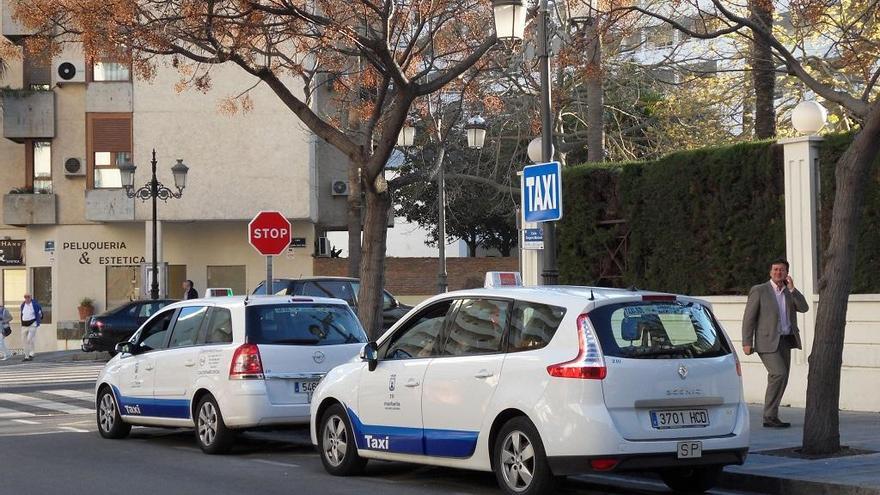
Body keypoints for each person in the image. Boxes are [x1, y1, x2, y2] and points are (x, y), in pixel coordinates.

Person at [742, 259, 809, 428]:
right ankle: (769, 416)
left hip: (785, 340)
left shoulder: (789, 292)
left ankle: (772, 415)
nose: (778, 272)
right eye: (775, 269)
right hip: (767, 341)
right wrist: (747, 341)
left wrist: (793, 289)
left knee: (783, 378)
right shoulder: (759, 290)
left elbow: (804, 308)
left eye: (782, 270)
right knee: (778, 374)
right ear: (770, 272)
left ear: (787, 273)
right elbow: (749, 318)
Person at [20, 293, 43, 361]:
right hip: (24, 325)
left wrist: (38, 321)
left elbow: (40, 313)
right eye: (25, 297)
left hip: (32, 324)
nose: (27, 298)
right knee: (24, 341)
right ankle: (27, 356)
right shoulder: (23, 305)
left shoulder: (35, 304)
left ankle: (31, 353)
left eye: (28, 297)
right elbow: (22, 314)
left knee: (29, 339)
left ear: (31, 298)